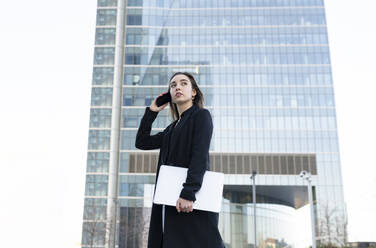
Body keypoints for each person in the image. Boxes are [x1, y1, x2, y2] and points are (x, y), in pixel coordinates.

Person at [135, 72, 225, 248]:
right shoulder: (171, 129)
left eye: (184, 83)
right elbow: (141, 142)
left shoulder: (201, 116)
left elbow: (199, 154)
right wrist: (152, 111)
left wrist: (188, 192)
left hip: (189, 199)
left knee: (198, 240)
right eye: (173, 85)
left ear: (194, 92)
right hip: (170, 200)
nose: (177, 87)